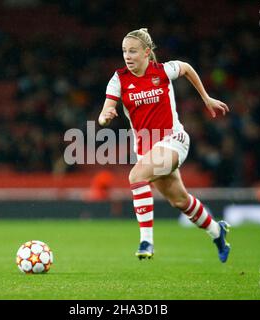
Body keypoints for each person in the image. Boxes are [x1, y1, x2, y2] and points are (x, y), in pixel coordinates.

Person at [98, 28, 231, 262]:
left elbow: (187, 68)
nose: (127, 56)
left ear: (147, 52)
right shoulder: (119, 79)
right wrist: (106, 114)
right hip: (147, 150)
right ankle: (217, 232)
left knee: (136, 176)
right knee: (179, 200)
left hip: (174, 141)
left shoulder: (162, 71)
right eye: (124, 52)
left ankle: (146, 240)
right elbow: (104, 112)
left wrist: (206, 98)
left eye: (133, 51)